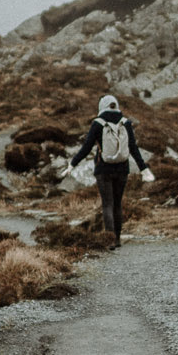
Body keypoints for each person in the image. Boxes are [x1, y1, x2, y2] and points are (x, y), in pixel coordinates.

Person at [69, 94, 152, 245]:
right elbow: (133, 148)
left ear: (102, 106)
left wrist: (72, 164)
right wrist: (143, 168)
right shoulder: (125, 123)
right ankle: (118, 239)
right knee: (117, 204)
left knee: (107, 204)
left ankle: (110, 240)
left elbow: (86, 147)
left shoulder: (98, 123)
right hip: (122, 169)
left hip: (103, 169)